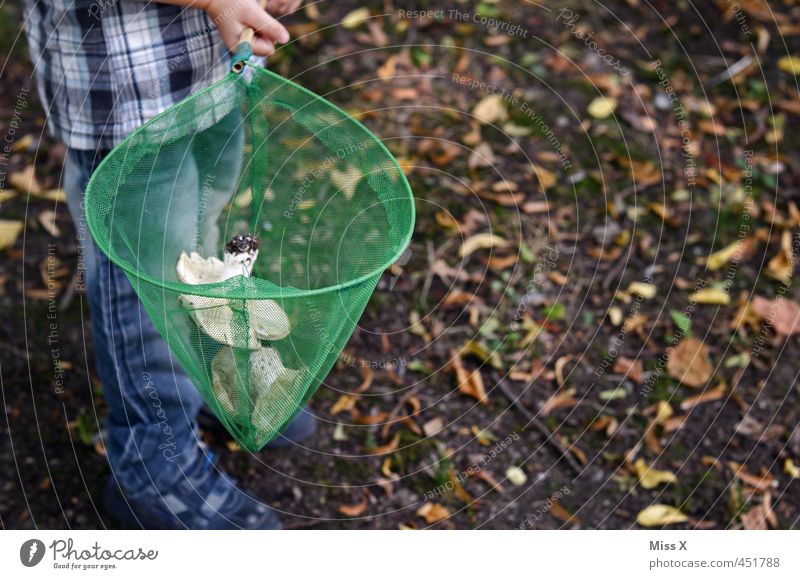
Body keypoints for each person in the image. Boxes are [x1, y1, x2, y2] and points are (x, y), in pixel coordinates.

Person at [21, 0, 314, 529]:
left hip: (209, 73)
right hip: (130, 91)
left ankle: (205, 383)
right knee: (145, 281)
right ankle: (155, 468)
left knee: (196, 249)